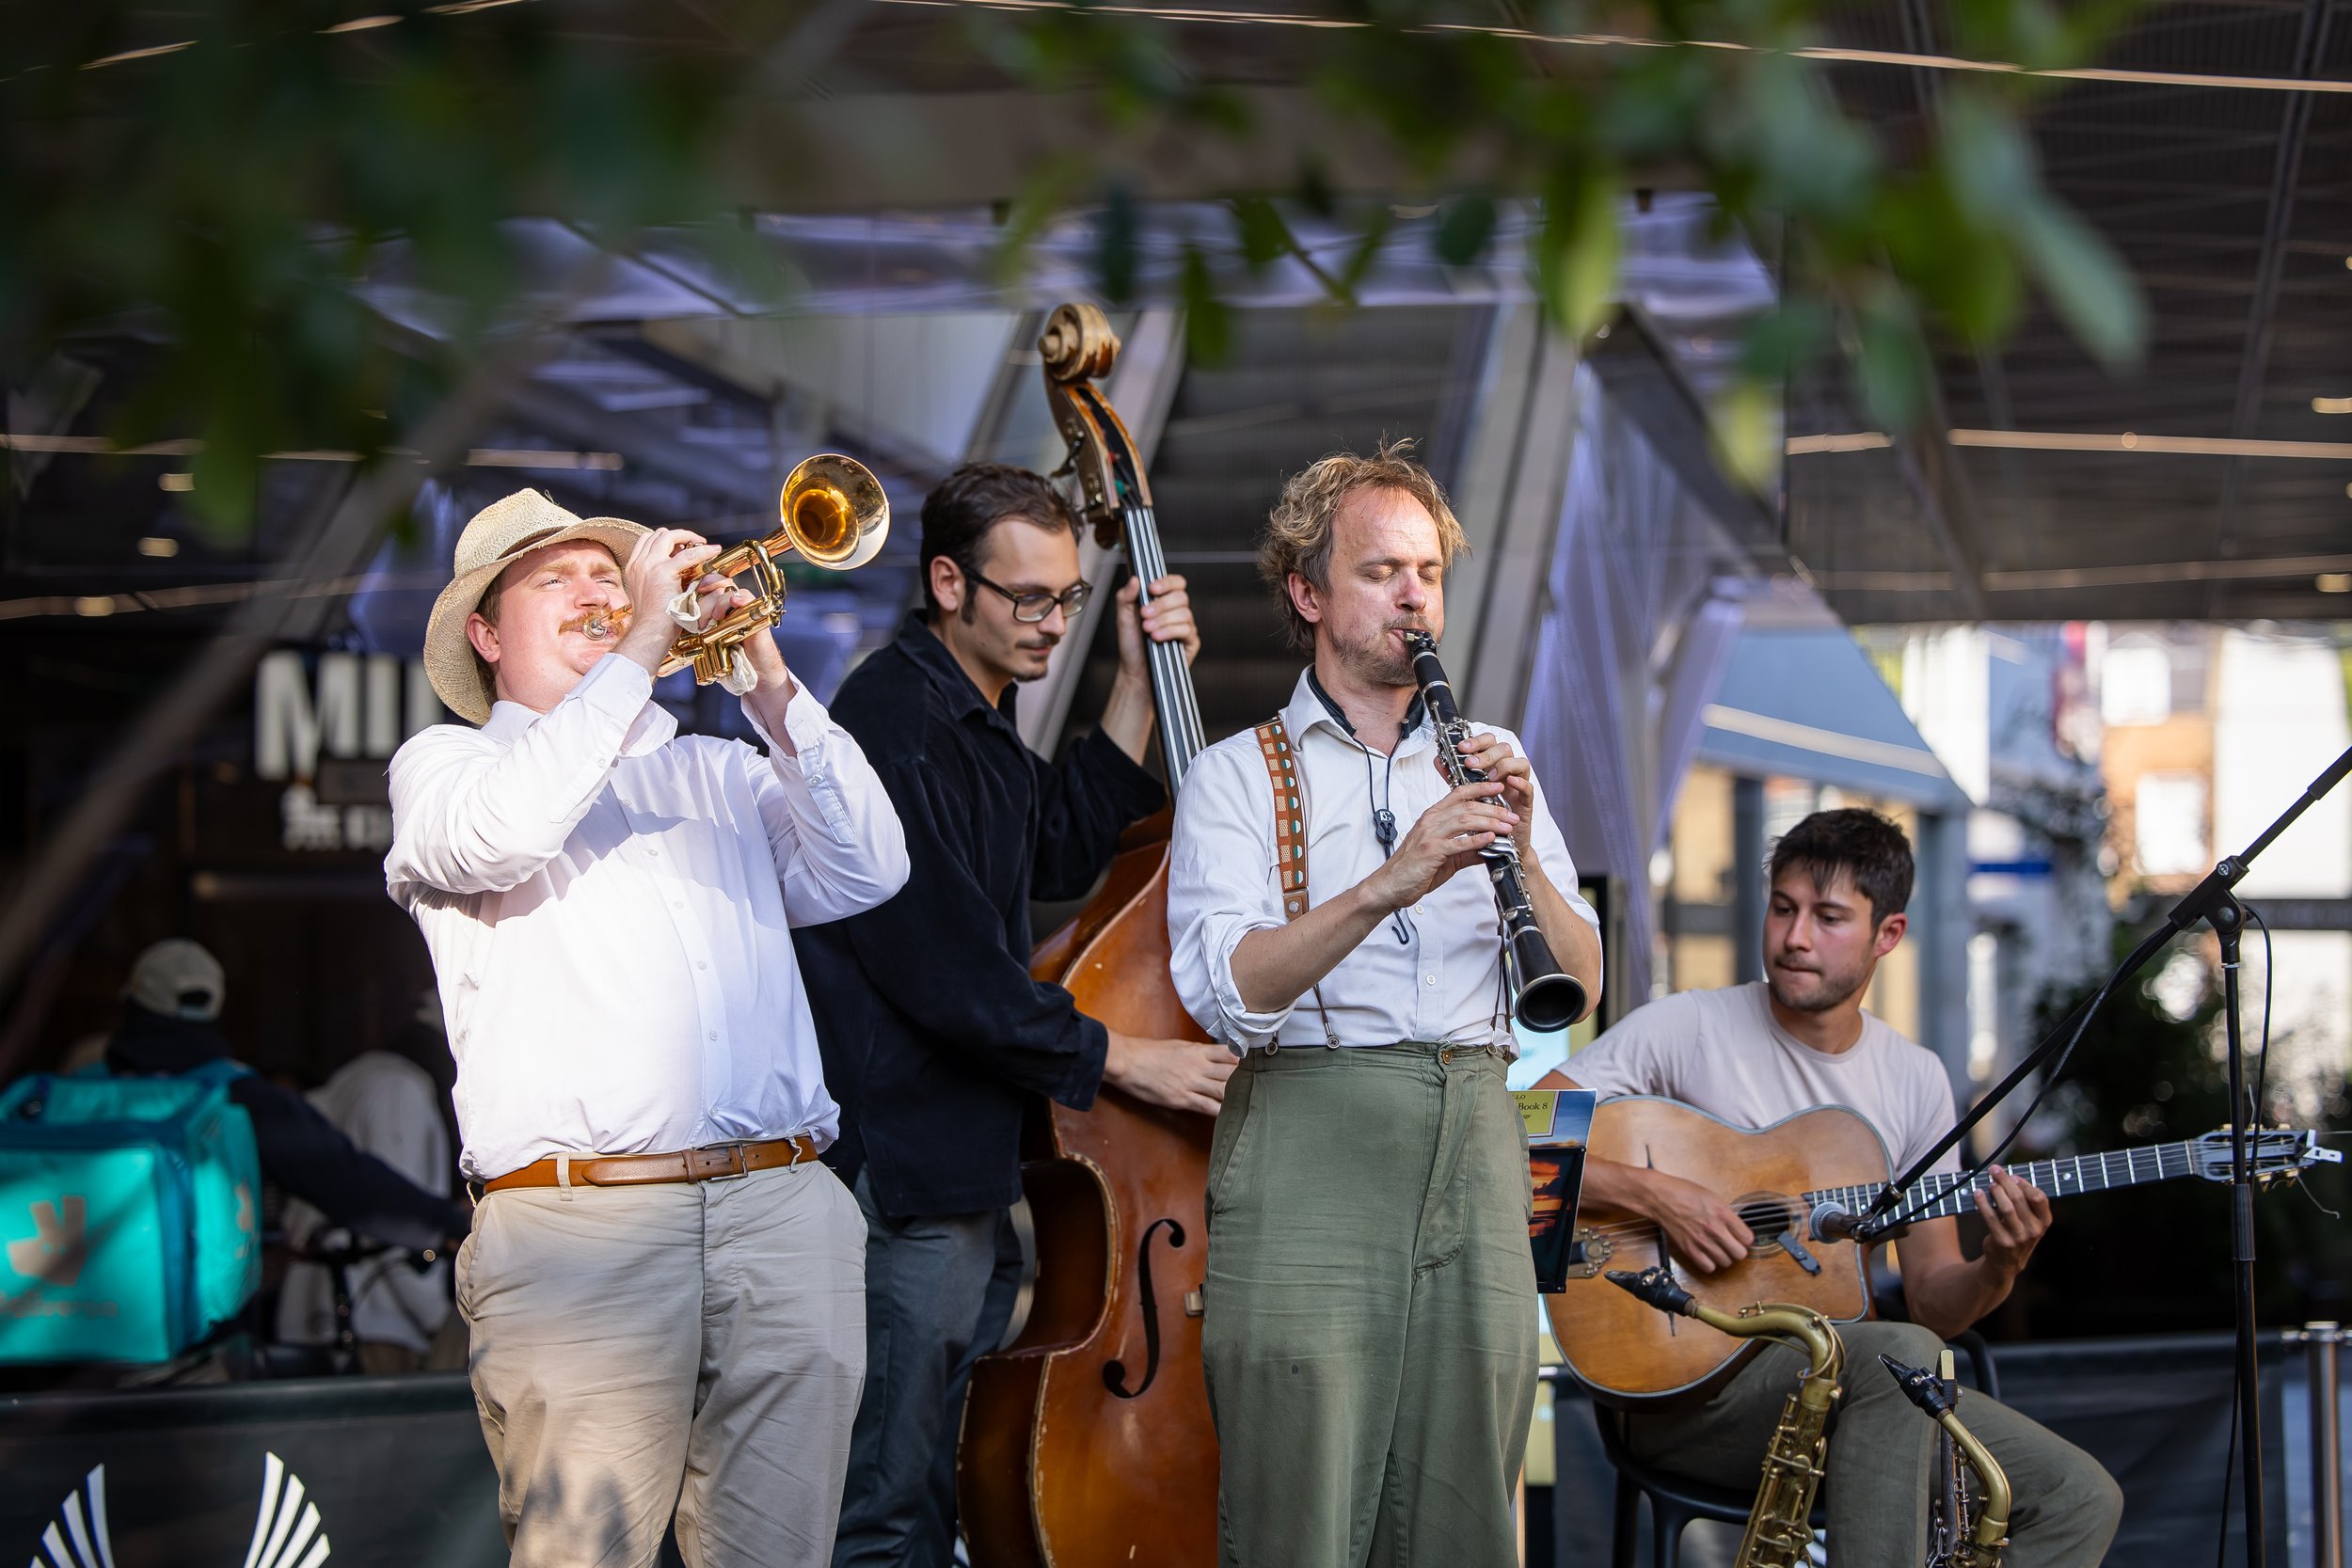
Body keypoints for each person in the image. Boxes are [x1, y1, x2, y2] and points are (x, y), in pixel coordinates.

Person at [385, 489, 909, 1568]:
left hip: (781, 1208)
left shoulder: (716, 770)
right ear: (485, 634)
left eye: (605, 574)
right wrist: (635, 649)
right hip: (583, 1228)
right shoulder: (445, 767)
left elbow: (871, 867)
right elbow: (502, 836)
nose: (593, 591)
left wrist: (767, 677)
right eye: (553, 579)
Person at [1166, 441, 1604, 1568]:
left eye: (1428, 571)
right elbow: (1228, 989)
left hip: (1474, 1125)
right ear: (1308, 592)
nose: (1415, 595)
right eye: (1381, 571)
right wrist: (1392, 879)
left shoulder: (1490, 757)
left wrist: (1527, 856)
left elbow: (1582, 985)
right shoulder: (1234, 774)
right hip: (1312, 1132)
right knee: (1298, 1503)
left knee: (1467, 1504)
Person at [801, 463, 1232, 1568]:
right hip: (908, 1168)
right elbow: (944, 968)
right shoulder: (892, 719)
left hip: (971, 1168)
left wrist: (1133, 684)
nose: (1051, 623)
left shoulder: (976, 716)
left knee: (919, 1491)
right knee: (885, 1503)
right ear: (948, 581)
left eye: (1068, 598)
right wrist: (1120, 1056)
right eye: (1027, 597)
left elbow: (1056, 847)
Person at [1535, 808, 2122, 1566]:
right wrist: (1659, 1197)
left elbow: (1938, 1301)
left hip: (1860, 1390)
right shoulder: (1688, 1027)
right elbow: (1519, 1124)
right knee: (1899, 1359)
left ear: (1889, 934)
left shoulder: (1914, 1080)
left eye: (1828, 916)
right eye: (1783, 908)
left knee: (2078, 1497)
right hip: (1690, 1392)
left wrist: (2001, 1265)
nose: (1795, 937)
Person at [103, 938, 470, 1261]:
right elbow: (343, 1178)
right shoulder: (235, 1096)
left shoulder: (80, 1093)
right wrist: (445, 1223)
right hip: (201, 1329)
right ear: (214, 1007)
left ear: (132, 1003)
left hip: (74, 1312)